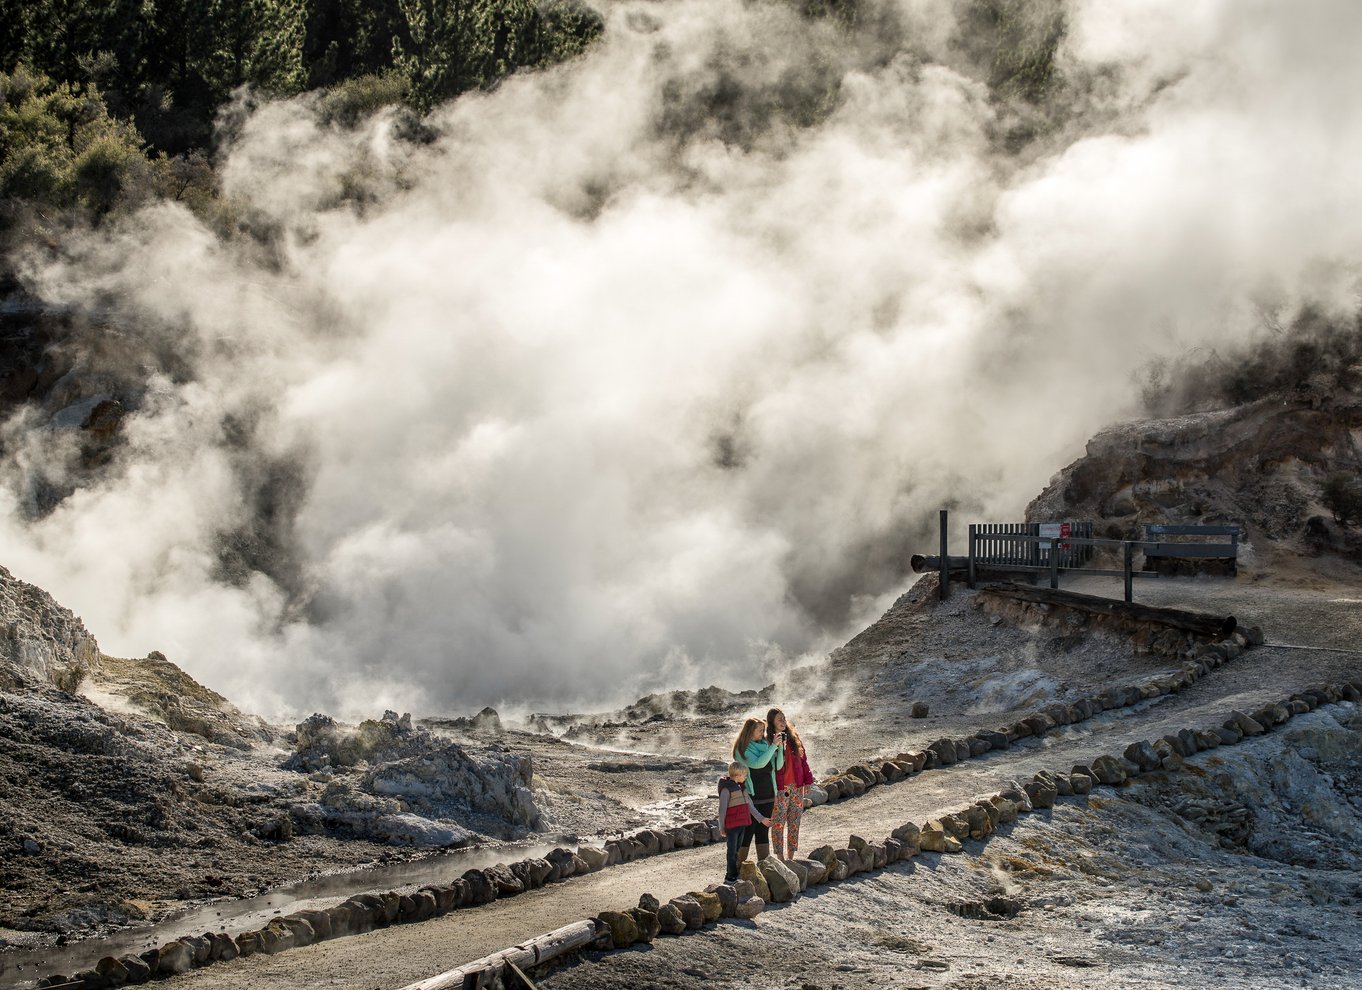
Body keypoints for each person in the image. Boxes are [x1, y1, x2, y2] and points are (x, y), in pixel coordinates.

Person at [733, 715, 783, 864]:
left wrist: (780, 748)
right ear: (749, 732)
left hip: (768, 796)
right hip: (751, 798)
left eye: (763, 730)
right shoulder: (741, 750)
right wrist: (773, 746)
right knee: (747, 833)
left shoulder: (765, 746)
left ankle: (765, 868)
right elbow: (757, 764)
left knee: (762, 833)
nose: (763, 733)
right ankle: (735, 870)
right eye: (760, 730)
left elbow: (777, 766)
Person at [767, 707, 814, 860]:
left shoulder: (794, 738)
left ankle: (791, 857)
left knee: (794, 822)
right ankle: (780, 857)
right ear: (772, 722)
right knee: (778, 823)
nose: (783, 721)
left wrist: (808, 781)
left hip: (797, 787)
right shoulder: (768, 740)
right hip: (780, 789)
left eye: (783, 718)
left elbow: (803, 762)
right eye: (779, 719)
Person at [717, 762, 771, 883]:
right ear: (737, 776)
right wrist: (721, 827)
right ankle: (730, 875)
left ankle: (735, 872)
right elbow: (722, 809)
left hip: (742, 825)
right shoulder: (726, 790)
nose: (746, 777)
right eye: (744, 775)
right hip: (732, 826)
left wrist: (761, 818)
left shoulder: (742, 788)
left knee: (737, 850)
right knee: (731, 851)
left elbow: (750, 806)